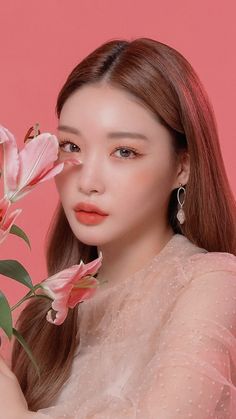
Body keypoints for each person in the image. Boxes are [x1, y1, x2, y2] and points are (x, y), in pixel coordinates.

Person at [0, 37, 236, 419]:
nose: (88, 180)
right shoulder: (41, 317)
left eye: (124, 151)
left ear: (183, 167)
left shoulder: (213, 284)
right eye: (71, 147)